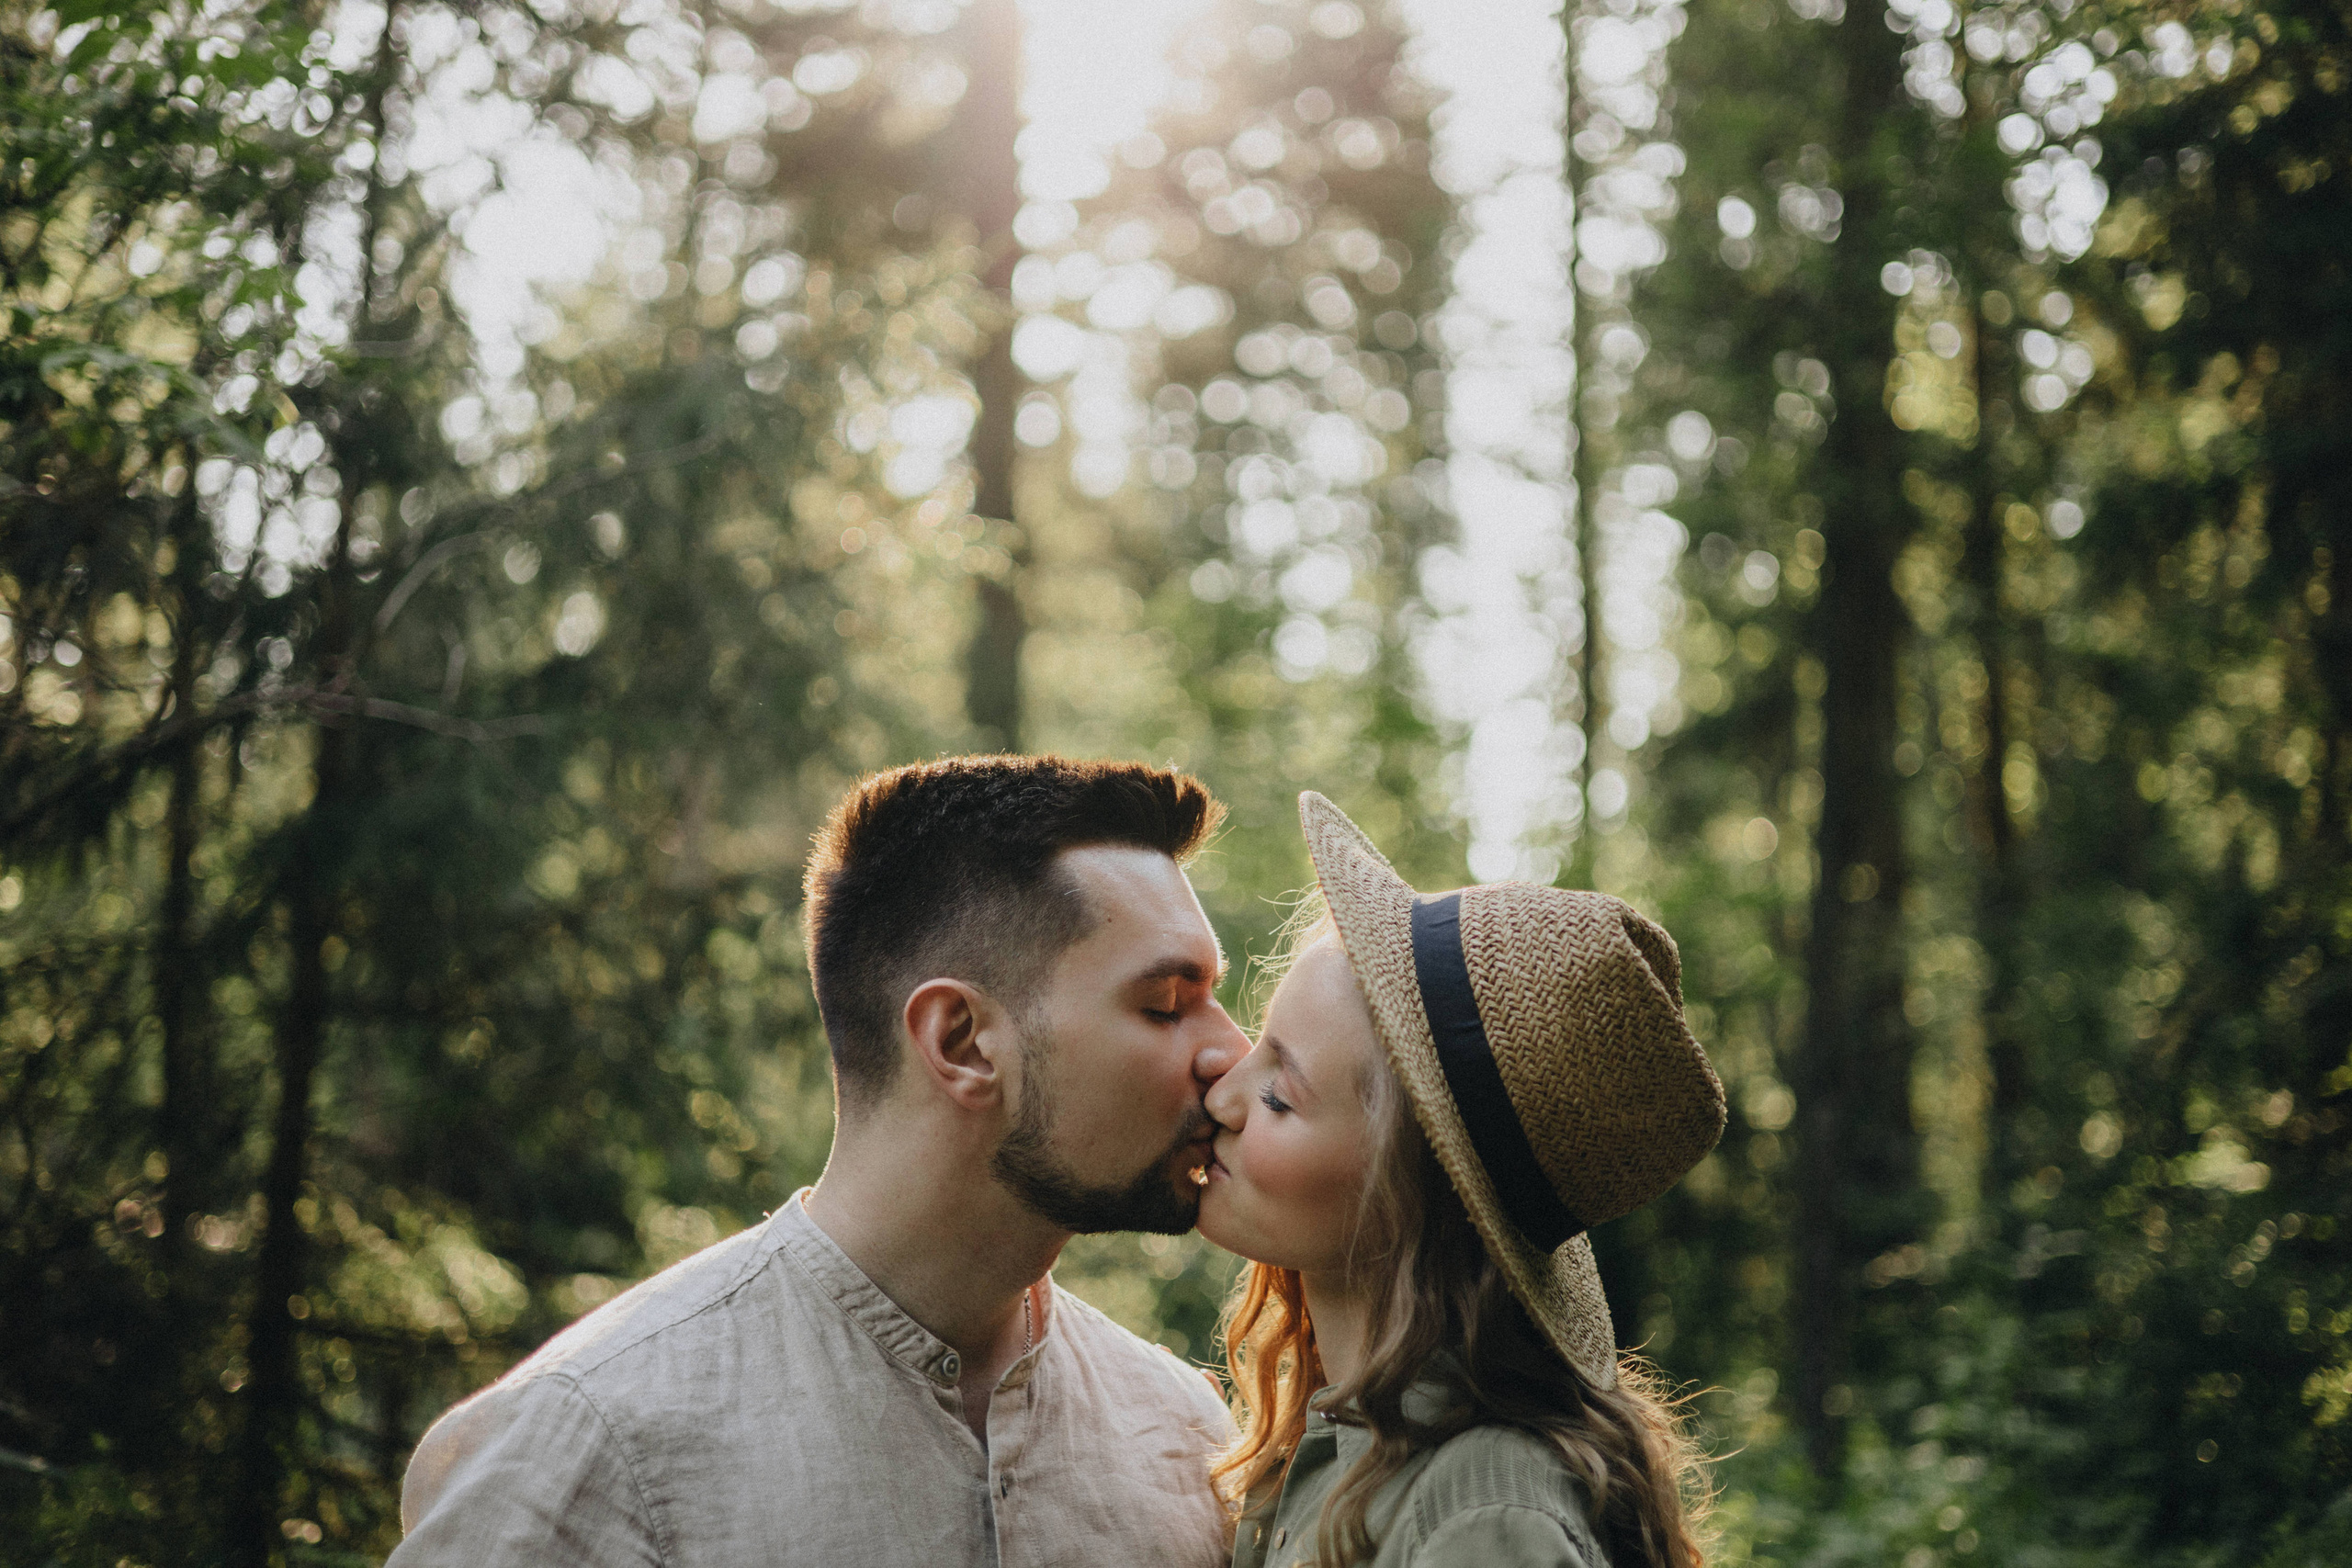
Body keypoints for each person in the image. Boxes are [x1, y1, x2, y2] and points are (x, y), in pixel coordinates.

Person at [390, 755, 1249, 1566]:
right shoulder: (586, 1445)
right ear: (962, 1041)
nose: (1233, 1054)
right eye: (1168, 1004)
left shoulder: (1187, 1435)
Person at [1195, 793, 1724, 1568]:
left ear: (1410, 1194)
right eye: (1257, 1047)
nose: (1221, 1096)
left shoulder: (1481, 1517)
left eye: (1280, 1094)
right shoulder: (1321, 1452)